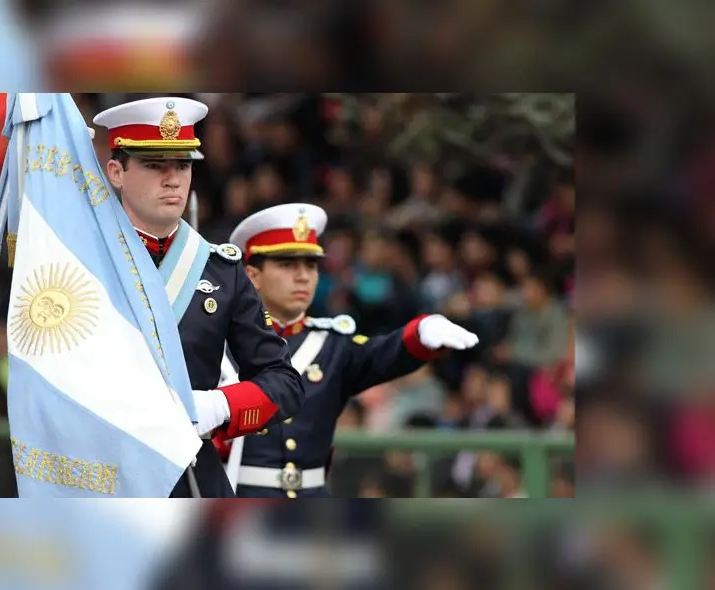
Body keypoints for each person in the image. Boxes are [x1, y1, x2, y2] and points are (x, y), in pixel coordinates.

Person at [92, 96, 305, 498]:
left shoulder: (221, 270)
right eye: (156, 165)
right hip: (103, 471)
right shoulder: (83, 264)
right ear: (117, 172)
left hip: (188, 472)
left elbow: (284, 382)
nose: (173, 179)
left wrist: (218, 407)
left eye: (183, 164)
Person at [219, 202, 479, 497]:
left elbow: (383, 354)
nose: (303, 276)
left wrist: (422, 332)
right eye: (288, 264)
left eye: (310, 264)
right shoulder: (220, 345)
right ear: (253, 276)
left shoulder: (333, 345)